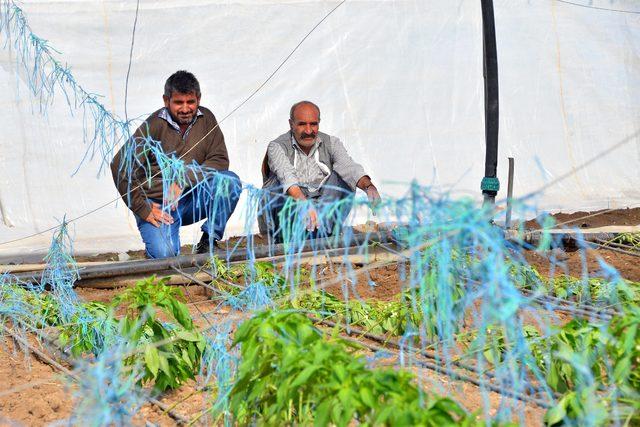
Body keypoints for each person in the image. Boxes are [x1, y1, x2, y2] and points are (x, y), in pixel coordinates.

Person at [111, 70, 241, 258]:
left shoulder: (207, 118)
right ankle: (154, 251)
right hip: (159, 205)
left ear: (199, 99)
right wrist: (143, 208)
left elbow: (219, 159)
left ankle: (208, 241)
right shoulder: (154, 125)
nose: (185, 108)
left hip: (190, 198)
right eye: (178, 102)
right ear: (166, 100)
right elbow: (119, 165)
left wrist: (183, 179)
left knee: (229, 182)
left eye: (191, 102)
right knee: (166, 256)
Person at [259, 100, 381, 242]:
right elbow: (287, 177)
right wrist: (304, 204)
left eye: (313, 124)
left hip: (322, 208)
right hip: (290, 210)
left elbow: (348, 167)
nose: (309, 131)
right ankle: (286, 238)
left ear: (319, 122)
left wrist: (369, 187)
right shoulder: (277, 146)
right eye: (302, 124)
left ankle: (323, 232)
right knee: (276, 184)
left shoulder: (331, 142)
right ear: (291, 124)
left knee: (344, 179)